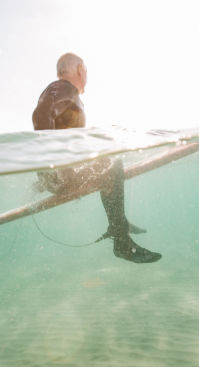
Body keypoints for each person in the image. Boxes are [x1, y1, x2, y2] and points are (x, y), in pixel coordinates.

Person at [32, 53, 161, 263]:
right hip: (59, 177)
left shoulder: (63, 92)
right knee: (112, 163)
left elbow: (56, 131)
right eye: (86, 72)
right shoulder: (63, 88)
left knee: (105, 161)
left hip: (55, 176)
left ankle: (120, 223)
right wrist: (61, 168)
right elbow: (40, 117)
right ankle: (121, 238)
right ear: (81, 70)